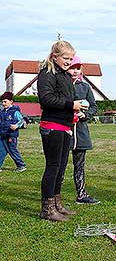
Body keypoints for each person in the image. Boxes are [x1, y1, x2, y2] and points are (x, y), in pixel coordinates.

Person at [37, 40, 86, 221]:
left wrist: (76, 110)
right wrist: (70, 104)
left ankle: (57, 203)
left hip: (65, 127)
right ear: (54, 56)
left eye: (71, 58)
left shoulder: (65, 75)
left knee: (61, 167)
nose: (69, 61)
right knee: (53, 167)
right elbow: (46, 99)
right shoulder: (47, 74)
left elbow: (66, 98)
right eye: (66, 58)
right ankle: (47, 209)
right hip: (52, 126)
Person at [68, 56, 100, 204]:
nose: (75, 71)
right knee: (59, 166)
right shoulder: (61, 83)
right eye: (72, 67)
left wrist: (85, 114)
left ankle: (81, 195)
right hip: (64, 130)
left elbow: (93, 106)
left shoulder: (85, 87)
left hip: (80, 131)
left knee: (79, 165)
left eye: (78, 68)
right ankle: (54, 197)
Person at [0, 91, 27, 172]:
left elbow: (21, 121)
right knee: (1, 151)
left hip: (11, 135)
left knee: (12, 150)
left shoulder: (15, 111)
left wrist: (16, 126)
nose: (3, 103)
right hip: (3, 134)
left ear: (11, 101)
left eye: (5, 101)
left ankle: (21, 165)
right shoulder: (2, 112)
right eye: (2, 102)